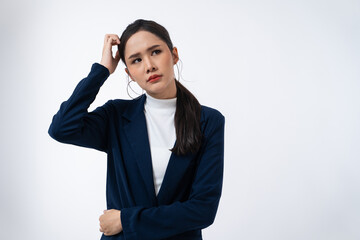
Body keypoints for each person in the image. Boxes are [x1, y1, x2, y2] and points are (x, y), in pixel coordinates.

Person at [48, 19, 225, 240]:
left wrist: (125, 220)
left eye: (156, 52)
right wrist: (101, 71)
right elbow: (62, 128)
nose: (149, 65)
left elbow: (203, 210)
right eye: (136, 60)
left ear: (174, 55)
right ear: (129, 73)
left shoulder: (208, 121)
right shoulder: (116, 116)